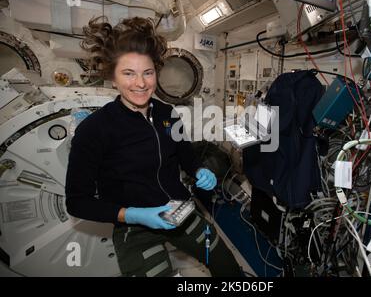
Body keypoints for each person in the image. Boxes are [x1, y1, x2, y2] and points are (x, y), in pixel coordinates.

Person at [65, 16, 242, 277]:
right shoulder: (94, 130)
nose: (141, 83)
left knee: (228, 270)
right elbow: (77, 203)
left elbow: (186, 156)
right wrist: (135, 215)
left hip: (179, 210)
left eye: (148, 73)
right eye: (129, 73)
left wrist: (200, 170)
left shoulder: (167, 113)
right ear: (112, 77)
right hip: (134, 228)